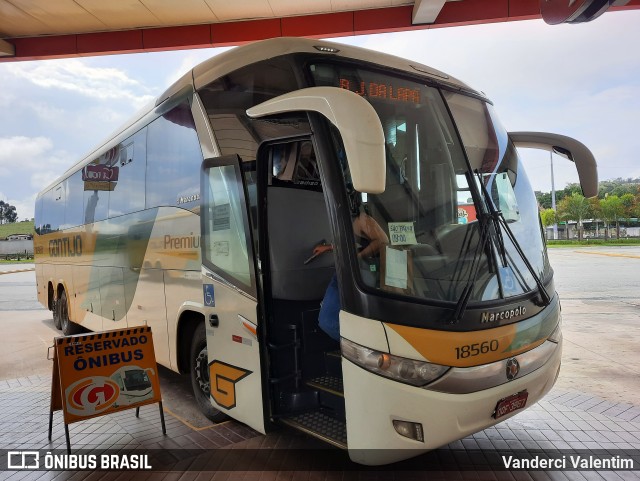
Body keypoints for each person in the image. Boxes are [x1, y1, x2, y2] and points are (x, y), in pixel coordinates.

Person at [316, 210, 389, 341]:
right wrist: (330, 247)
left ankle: (366, 345)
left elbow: (383, 240)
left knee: (328, 321)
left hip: (359, 273)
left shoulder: (362, 218)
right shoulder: (343, 214)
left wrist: (358, 258)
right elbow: (350, 243)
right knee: (328, 320)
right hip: (344, 272)